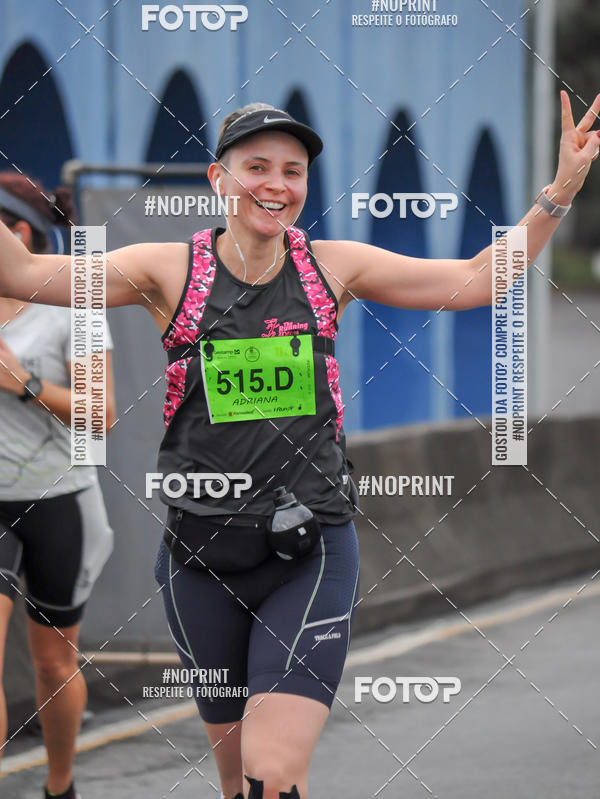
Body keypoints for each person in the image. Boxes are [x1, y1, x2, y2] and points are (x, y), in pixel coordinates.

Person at [0, 91, 598, 799]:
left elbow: (477, 279)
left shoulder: (331, 267)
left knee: (273, 773)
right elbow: (21, 275)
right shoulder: (168, 269)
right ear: (218, 178)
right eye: (256, 167)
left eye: (293, 171)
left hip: (308, 549)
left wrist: (558, 194)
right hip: (201, 557)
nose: (276, 186)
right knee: (236, 782)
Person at [0, 173, 116, 799]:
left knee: (53, 662)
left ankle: (60, 785)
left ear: (18, 233)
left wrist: (25, 383)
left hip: (57, 499)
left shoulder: (73, 304)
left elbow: (103, 413)